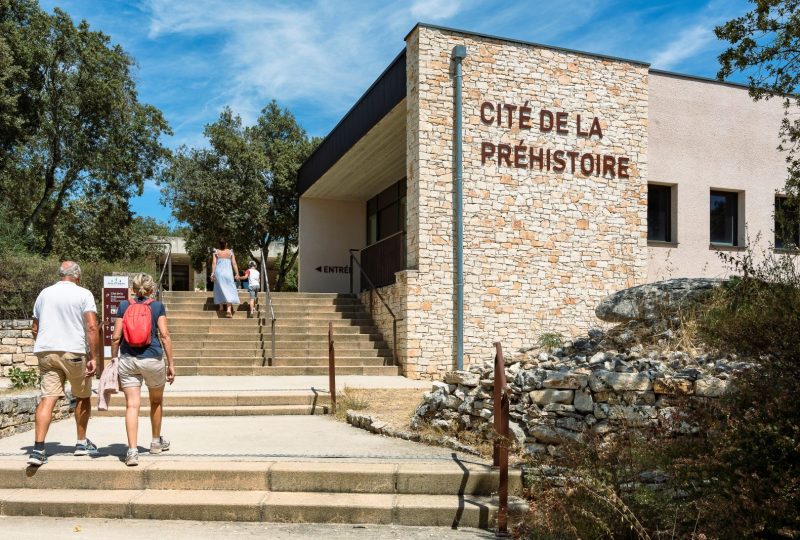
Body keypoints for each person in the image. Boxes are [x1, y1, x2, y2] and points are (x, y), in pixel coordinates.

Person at [27, 261, 99, 466]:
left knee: (47, 398)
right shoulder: (83, 294)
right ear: (77, 275)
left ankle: (38, 449)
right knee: (83, 396)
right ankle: (81, 443)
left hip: (46, 351)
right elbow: (92, 327)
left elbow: (35, 327)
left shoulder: (44, 294)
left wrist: (45, 345)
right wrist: (93, 357)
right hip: (74, 351)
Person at [110, 273, 175, 467]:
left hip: (128, 359)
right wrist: (171, 363)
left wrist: (114, 360)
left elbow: (115, 337)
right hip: (152, 359)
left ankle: (132, 451)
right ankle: (156, 442)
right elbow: (164, 335)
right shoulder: (156, 306)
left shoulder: (123, 306)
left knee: (132, 405)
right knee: (156, 400)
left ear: (133, 288)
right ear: (151, 289)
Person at [211, 238, 240, 317]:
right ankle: (228, 309)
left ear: (219, 244)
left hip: (219, 272)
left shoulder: (216, 252)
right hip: (228, 273)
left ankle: (220, 307)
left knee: (219, 288)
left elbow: (214, 263)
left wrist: (212, 273)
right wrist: (237, 274)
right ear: (226, 244)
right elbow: (234, 263)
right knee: (229, 290)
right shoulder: (230, 252)